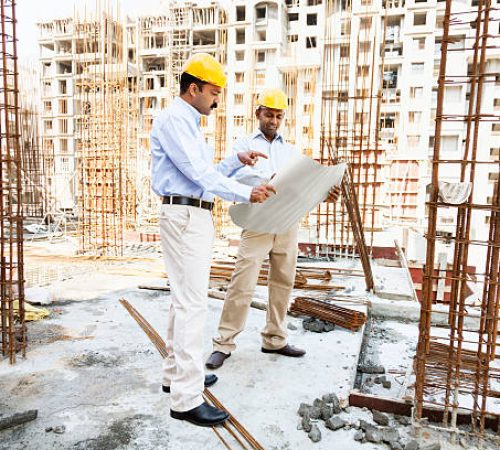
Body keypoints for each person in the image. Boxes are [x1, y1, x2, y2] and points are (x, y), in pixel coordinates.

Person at [150, 53, 276, 428]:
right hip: (186, 215)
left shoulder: (187, 121)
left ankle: (176, 376)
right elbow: (197, 173)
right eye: (213, 92)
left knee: (182, 301)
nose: (216, 100)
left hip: (191, 212)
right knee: (192, 306)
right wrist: (244, 193)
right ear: (193, 89)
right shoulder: (176, 119)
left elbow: (203, 173)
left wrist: (237, 161)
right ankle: (186, 400)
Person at [206, 88, 341, 370]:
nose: (274, 121)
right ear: (258, 113)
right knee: (243, 282)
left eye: (279, 116)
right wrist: (269, 179)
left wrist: (322, 191)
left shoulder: (290, 150)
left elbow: (299, 186)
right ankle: (224, 343)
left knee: (283, 282)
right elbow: (234, 177)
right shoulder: (242, 145)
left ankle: (275, 338)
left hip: (287, 222)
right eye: (269, 115)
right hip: (258, 221)